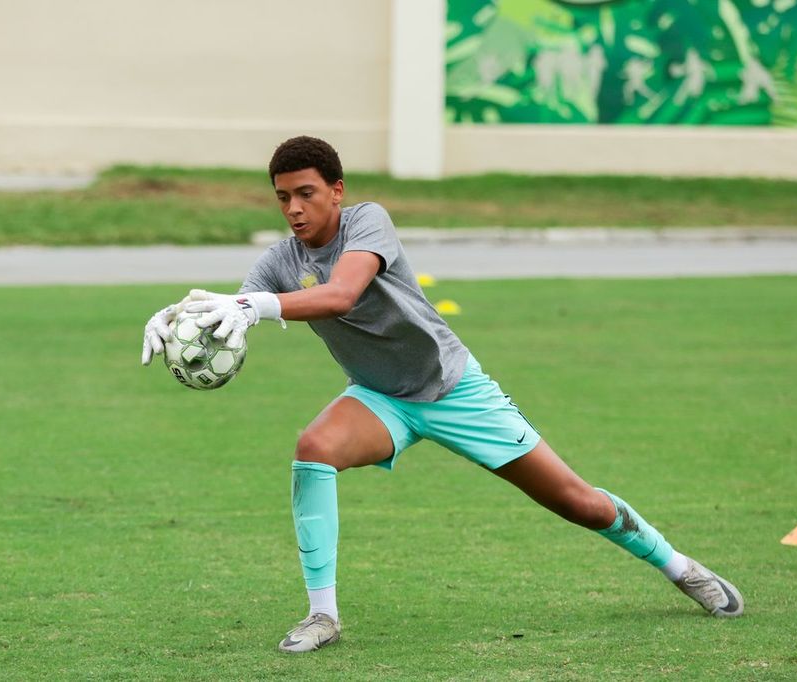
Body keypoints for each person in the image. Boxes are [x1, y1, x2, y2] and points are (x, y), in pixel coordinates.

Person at [140, 136, 744, 654]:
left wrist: (256, 305)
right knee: (314, 448)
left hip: (454, 389)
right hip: (380, 397)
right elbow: (237, 308)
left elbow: (341, 294)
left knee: (577, 501)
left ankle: (679, 567)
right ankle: (323, 615)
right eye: (282, 198)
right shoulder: (281, 260)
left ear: (337, 191)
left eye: (306, 193)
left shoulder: (368, 222)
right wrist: (179, 319)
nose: (294, 209)